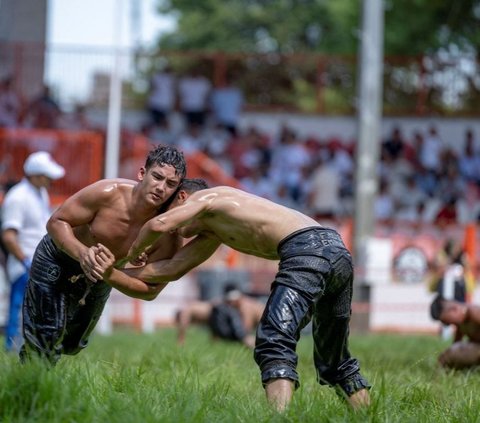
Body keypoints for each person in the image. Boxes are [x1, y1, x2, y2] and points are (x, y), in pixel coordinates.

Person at [94, 183, 370, 412]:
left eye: (171, 209)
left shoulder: (209, 197)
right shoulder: (214, 231)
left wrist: (132, 252)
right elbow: (171, 269)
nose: (174, 233)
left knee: (273, 340)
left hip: (308, 249)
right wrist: (115, 270)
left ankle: (279, 418)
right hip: (336, 252)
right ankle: (367, 415)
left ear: (182, 198)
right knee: (334, 359)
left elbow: (160, 223)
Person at [20, 145, 187, 365]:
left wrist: (111, 273)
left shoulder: (166, 230)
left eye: (170, 184)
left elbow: (151, 290)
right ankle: (31, 388)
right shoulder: (108, 193)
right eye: (157, 177)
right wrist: (83, 253)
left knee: (72, 344)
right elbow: (56, 222)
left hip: (102, 274)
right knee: (46, 337)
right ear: (142, 173)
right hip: (60, 256)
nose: (161, 188)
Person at [1, 152, 65, 352]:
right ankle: (12, 355)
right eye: (47, 176)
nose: (51, 180)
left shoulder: (39, 193)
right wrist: (26, 261)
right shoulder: (18, 197)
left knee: (37, 314)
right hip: (24, 266)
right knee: (20, 311)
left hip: (39, 264)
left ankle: (31, 353)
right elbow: (9, 235)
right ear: (36, 175)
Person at [430, 295, 480, 369]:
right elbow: (456, 344)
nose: (448, 324)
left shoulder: (475, 312)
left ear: (454, 309)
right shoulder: (460, 322)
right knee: (445, 357)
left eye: (447, 322)